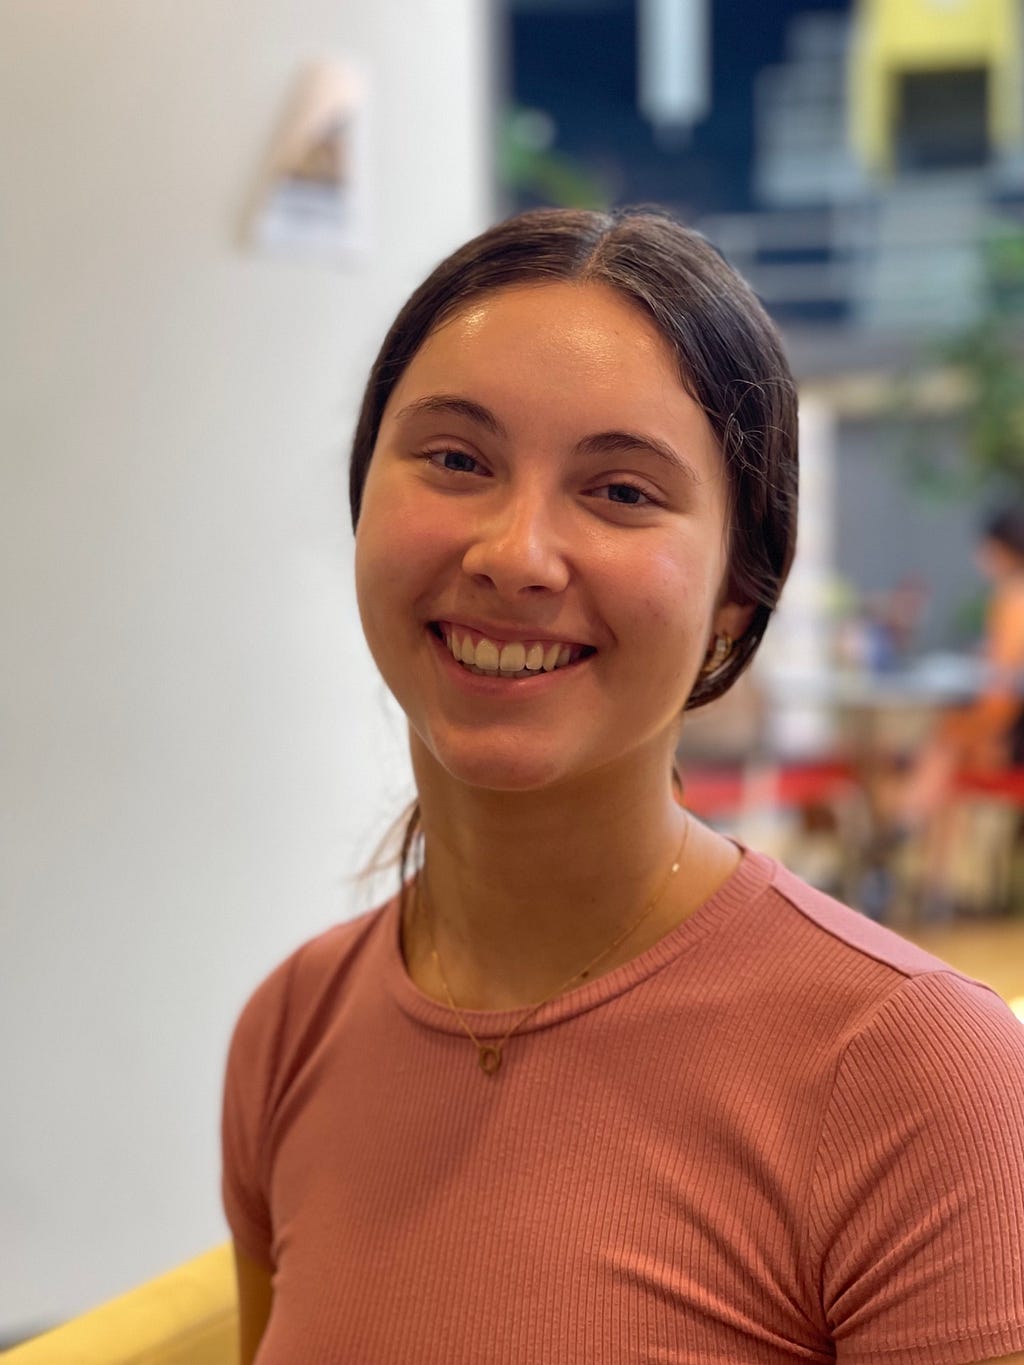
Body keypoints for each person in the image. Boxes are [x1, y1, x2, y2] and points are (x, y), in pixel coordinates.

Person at [221, 208, 1024, 1364]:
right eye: (455, 460)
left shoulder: (917, 1077)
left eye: (622, 491)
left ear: (733, 601)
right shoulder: (291, 1033)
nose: (514, 553)